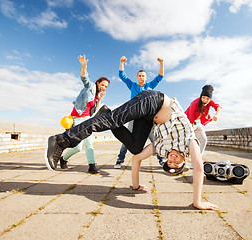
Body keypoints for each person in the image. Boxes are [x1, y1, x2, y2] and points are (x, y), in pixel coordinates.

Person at [45, 90, 218, 210]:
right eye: (176, 162)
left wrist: (135, 186)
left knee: (135, 148)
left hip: (149, 117)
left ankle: (104, 113)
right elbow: (199, 167)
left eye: (169, 162)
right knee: (111, 120)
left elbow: (136, 159)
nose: (172, 159)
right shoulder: (189, 144)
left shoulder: (161, 148)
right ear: (183, 160)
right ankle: (62, 140)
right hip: (153, 100)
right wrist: (197, 202)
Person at [53, 54, 110, 174]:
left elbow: (93, 112)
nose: (104, 87)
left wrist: (99, 99)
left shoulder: (95, 97)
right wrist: (84, 66)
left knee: (88, 143)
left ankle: (91, 166)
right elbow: (85, 78)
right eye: (102, 84)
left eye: (106, 86)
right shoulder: (90, 87)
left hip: (87, 119)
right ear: (98, 83)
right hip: (77, 118)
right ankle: (63, 159)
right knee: (78, 147)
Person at [114, 56, 165, 169]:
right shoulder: (132, 85)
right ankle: (120, 159)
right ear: (137, 77)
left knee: (155, 139)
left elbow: (160, 76)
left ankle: (162, 160)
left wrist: (161, 63)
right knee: (127, 139)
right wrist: (121, 62)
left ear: (146, 78)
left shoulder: (149, 86)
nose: (141, 77)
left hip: (147, 118)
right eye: (139, 75)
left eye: (143, 76)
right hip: (134, 116)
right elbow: (122, 76)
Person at [185, 85, 222, 157]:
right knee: (187, 141)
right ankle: (182, 160)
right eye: (203, 98)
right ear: (201, 96)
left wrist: (216, 115)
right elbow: (191, 120)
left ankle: (197, 160)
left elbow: (219, 107)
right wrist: (191, 133)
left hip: (198, 122)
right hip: (188, 122)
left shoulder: (210, 101)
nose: (205, 100)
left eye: (207, 99)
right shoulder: (194, 104)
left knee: (203, 140)